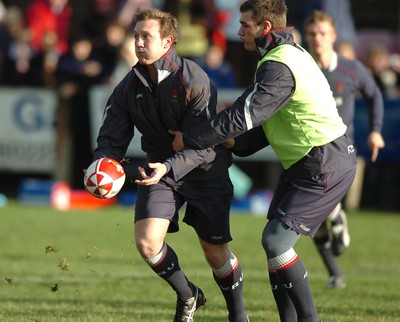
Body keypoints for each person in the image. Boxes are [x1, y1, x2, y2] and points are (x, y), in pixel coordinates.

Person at [146, 0, 357, 321]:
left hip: (323, 163)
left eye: (245, 25)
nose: (239, 30)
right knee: (275, 245)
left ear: (265, 28)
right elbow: (260, 128)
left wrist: (190, 138)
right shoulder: (285, 55)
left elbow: (242, 117)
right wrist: (233, 143)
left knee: (275, 242)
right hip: (306, 164)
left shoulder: (278, 65)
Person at [90, 9, 248, 322]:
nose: (138, 42)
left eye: (145, 36)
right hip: (161, 171)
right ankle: (189, 295)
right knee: (148, 243)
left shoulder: (194, 80)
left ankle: (238, 315)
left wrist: (168, 166)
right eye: (135, 36)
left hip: (206, 169)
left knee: (215, 255)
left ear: (168, 42)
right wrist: (101, 162)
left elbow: (202, 144)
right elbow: (111, 137)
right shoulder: (127, 87)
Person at [303, 10, 385, 289]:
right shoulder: (301, 68)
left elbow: (374, 94)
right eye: (312, 33)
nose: (317, 39)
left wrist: (375, 131)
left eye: (323, 33)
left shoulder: (350, 69)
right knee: (309, 221)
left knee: (320, 208)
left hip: (339, 153)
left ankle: (336, 214)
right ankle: (334, 273)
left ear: (333, 37)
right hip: (306, 151)